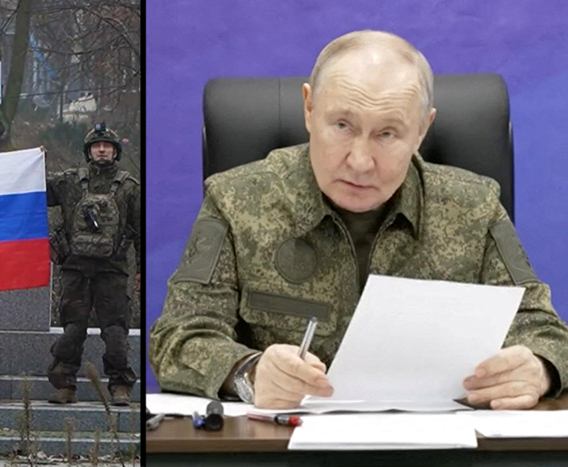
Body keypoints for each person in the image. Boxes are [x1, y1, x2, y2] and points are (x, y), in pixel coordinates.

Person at [149, 30, 568, 410]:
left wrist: (540, 368)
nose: (361, 162)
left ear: (423, 129)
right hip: (284, 448)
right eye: (343, 125)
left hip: (435, 448)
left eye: (387, 134)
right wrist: (248, 374)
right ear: (309, 108)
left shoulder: (474, 206)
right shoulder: (236, 200)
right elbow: (178, 337)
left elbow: (545, 331)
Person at [46, 122, 141, 405]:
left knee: (115, 331)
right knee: (73, 330)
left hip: (112, 271)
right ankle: (64, 385)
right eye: (97, 146)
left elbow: (141, 230)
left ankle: (120, 385)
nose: (102, 150)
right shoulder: (69, 182)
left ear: (116, 151)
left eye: (107, 146)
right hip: (75, 269)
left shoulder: (129, 188)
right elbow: (35, 190)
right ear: (89, 151)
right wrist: (36, 160)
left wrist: (141, 272)